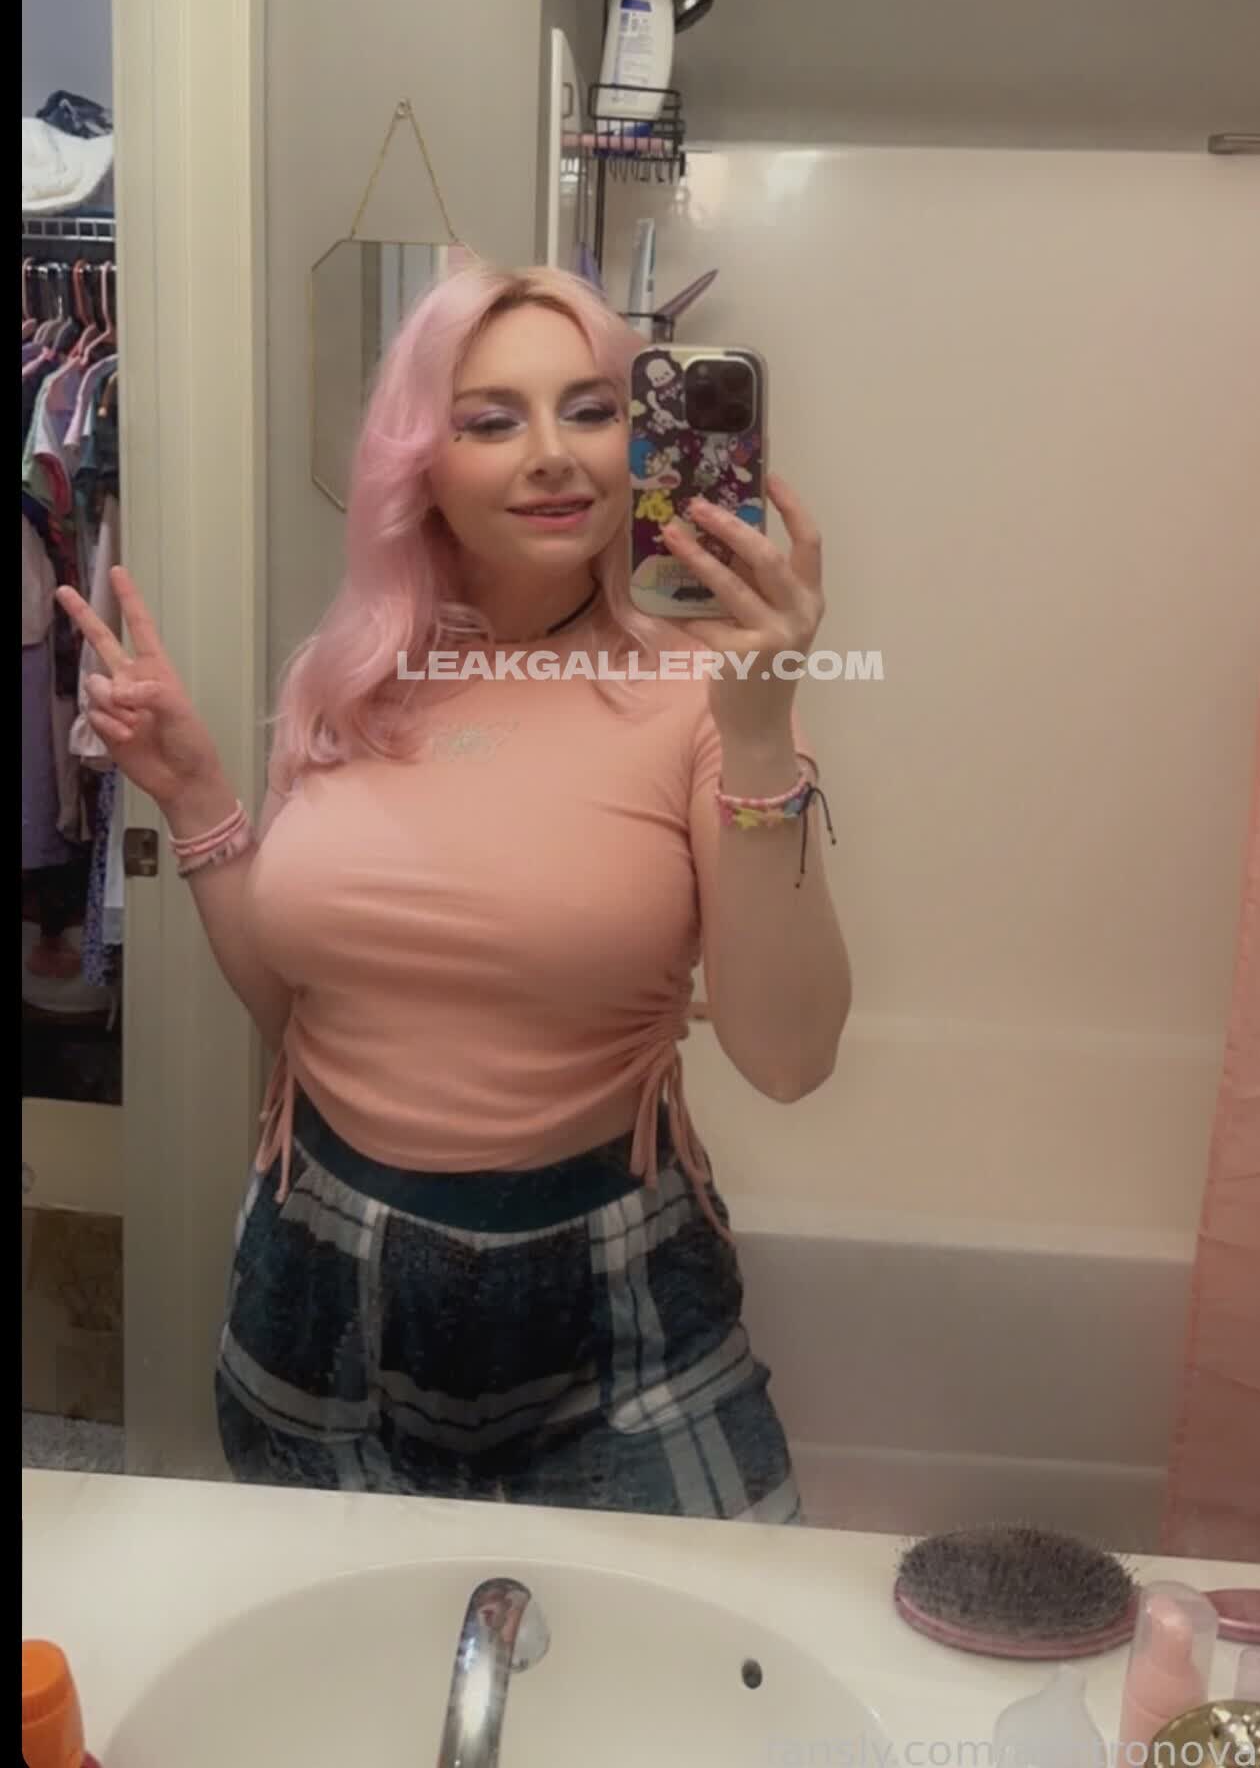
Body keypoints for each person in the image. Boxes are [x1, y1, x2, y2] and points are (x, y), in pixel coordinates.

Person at [56, 262, 851, 1523]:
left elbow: (791, 1057)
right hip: (317, 1274)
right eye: (491, 420)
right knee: (337, 1641)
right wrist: (199, 793)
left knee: (697, 1641)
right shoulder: (347, 677)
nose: (553, 455)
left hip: (614, 1291)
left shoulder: (709, 693)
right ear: (419, 462)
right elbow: (302, 1010)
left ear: (641, 439)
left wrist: (759, 733)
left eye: (591, 410)